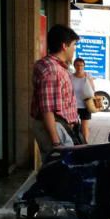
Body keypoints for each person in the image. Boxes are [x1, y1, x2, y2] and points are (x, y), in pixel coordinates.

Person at [31, 25, 82, 154]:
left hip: (61, 128)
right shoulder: (53, 70)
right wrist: (56, 142)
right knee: (60, 170)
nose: (74, 49)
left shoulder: (51, 65)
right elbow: (47, 109)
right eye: (74, 45)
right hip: (57, 129)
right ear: (64, 46)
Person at [72, 57, 95, 144]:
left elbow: (93, 90)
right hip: (73, 105)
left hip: (86, 105)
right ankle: (74, 142)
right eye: (77, 65)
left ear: (84, 66)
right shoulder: (70, 77)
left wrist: (89, 81)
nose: (80, 67)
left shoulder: (88, 76)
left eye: (82, 65)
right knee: (72, 125)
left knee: (85, 126)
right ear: (74, 66)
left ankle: (85, 143)